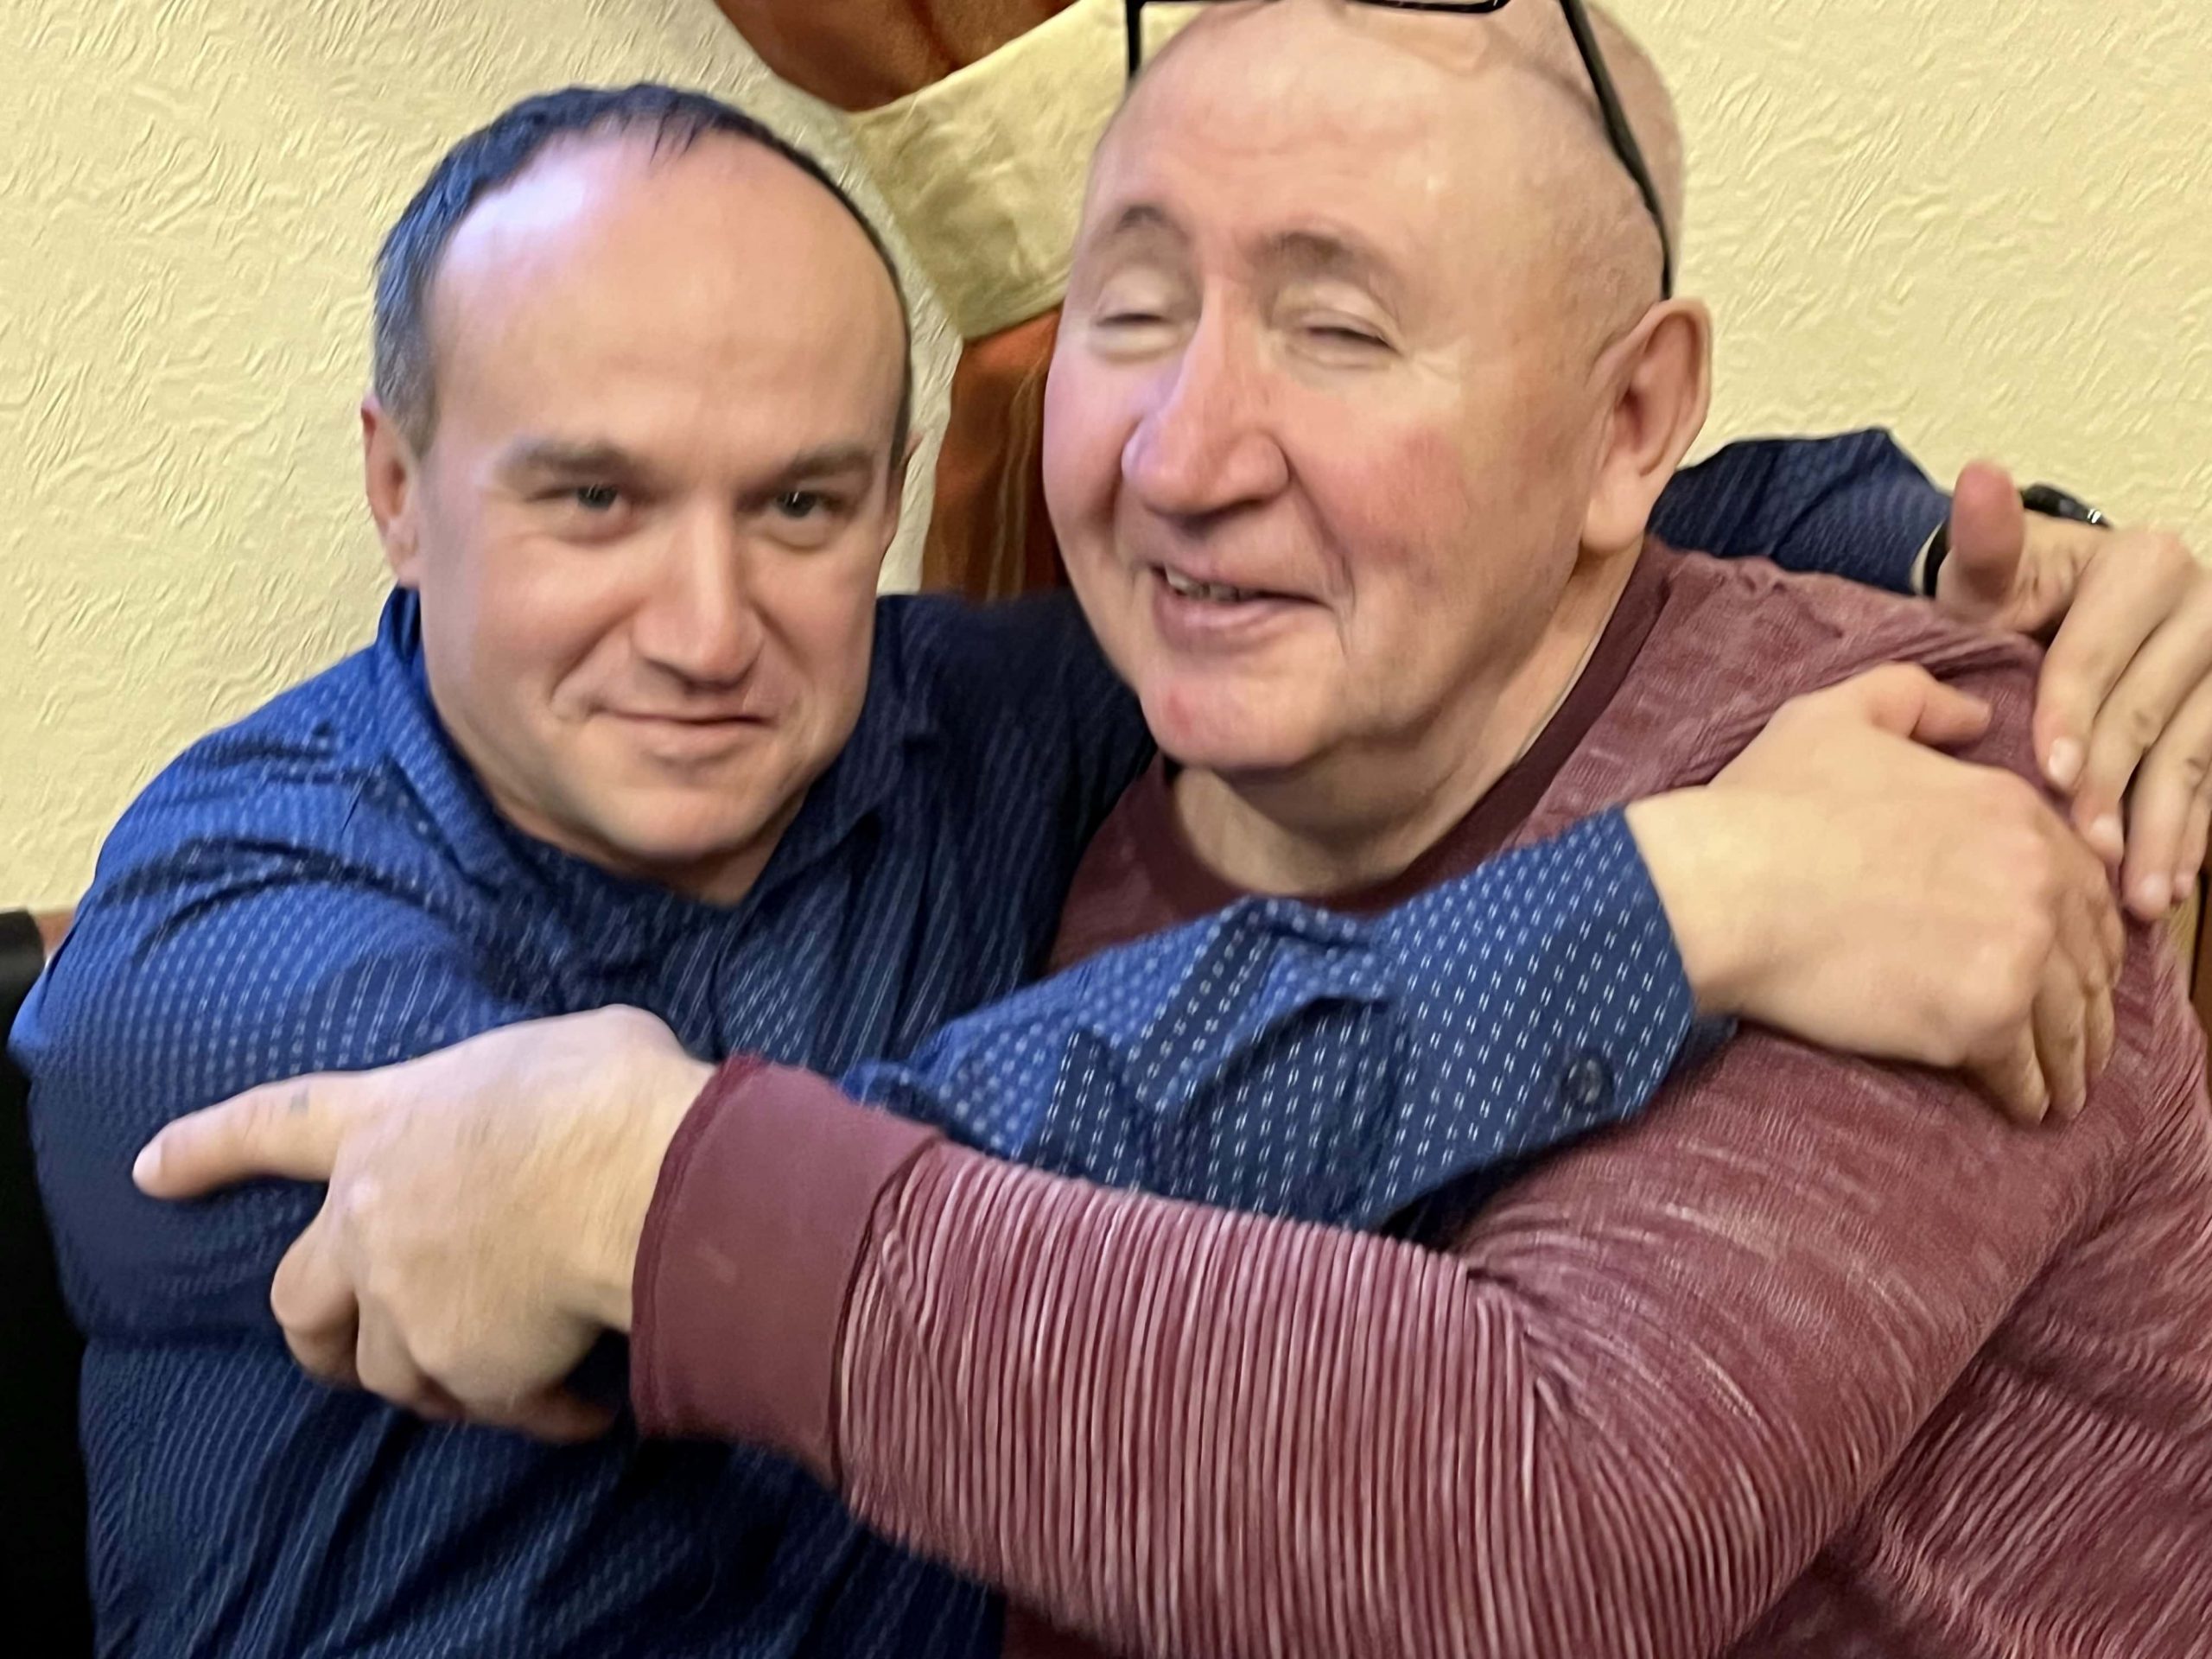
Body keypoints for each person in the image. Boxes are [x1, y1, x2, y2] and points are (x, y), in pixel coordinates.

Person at [138, 6, 2212, 1657]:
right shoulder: (237, 920)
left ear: (1622, 424)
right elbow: (546, 1231)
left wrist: (2020, 576)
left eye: (1337, 329)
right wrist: (1670, 904)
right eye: (1125, 312)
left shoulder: (1919, 794)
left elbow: (1544, 1525)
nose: (1182, 458)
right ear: (398, 486)